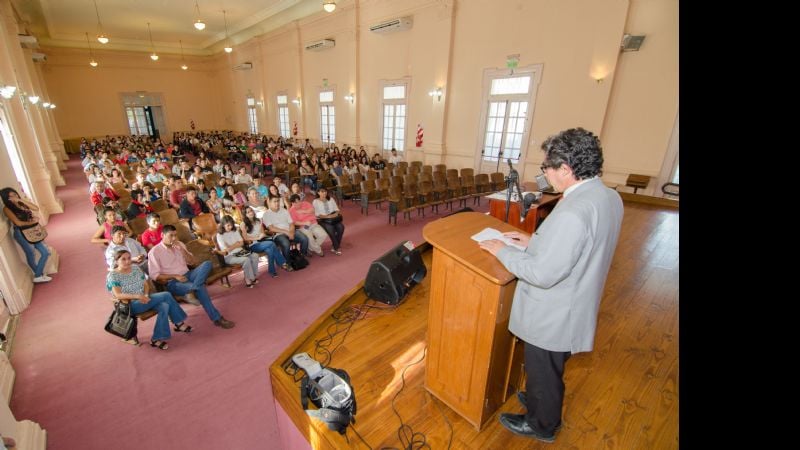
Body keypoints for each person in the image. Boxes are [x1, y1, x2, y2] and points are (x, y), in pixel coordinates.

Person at [478, 128, 623, 443]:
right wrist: (534, 240)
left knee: (544, 369)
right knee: (548, 369)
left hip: (555, 311)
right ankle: (540, 400)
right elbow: (583, 246)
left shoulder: (573, 209)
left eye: (548, 167)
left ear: (566, 170)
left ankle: (542, 424)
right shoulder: (607, 196)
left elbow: (543, 274)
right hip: (578, 298)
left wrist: (502, 250)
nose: (545, 173)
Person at [148, 225, 235, 329]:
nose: (174, 238)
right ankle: (217, 318)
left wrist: (182, 251)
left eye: (175, 235)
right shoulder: (154, 252)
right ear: (162, 235)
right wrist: (175, 276)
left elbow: (193, 262)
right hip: (174, 282)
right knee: (200, 288)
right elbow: (155, 276)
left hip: (189, 275)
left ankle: (196, 286)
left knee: (207, 264)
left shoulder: (179, 244)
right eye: (171, 236)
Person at [107, 249, 193, 350]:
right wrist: (138, 297)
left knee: (164, 306)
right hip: (130, 305)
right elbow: (118, 295)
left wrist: (146, 295)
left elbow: (145, 284)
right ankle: (179, 323)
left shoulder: (135, 268)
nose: (127, 261)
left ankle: (156, 339)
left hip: (145, 299)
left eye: (129, 258)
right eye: (123, 259)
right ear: (116, 261)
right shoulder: (113, 275)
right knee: (166, 295)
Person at [1, 187, 52, 283]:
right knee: (30, 254)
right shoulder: (6, 209)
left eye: (15, 194)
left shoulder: (21, 203)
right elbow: (18, 223)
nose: (14, 197)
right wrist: (32, 222)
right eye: (11, 196)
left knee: (45, 252)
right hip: (21, 233)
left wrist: (20, 200)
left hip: (32, 231)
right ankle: (39, 275)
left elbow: (35, 208)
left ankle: (38, 275)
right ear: (6, 198)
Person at [240, 207, 290, 277]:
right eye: (248, 212)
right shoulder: (243, 224)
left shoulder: (258, 221)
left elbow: (262, 233)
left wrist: (262, 235)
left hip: (262, 242)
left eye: (251, 210)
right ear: (245, 215)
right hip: (253, 245)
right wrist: (257, 238)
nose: (251, 213)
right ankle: (283, 263)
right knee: (271, 243)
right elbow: (245, 238)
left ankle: (272, 271)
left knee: (270, 250)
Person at [215, 215, 261, 288]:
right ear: (223, 225)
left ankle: (252, 276)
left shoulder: (235, 230)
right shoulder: (219, 235)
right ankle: (249, 279)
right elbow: (226, 249)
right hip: (229, 256)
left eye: (231, 225)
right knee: (246, 260)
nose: (230, 227)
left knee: (255, 255)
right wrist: (236, 244)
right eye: (228, 225)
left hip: (241, 252)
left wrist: (232, 246)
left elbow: (241, 243)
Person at [312, 187, 344, 255]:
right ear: (318, 193)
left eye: (325, 191)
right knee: (331, 230)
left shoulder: (331, 199)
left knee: (341, 227)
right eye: (322, 192)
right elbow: (317, 214)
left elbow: (337, 209)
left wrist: (335, 214)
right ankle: (336, 248)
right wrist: (327, 216)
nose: (324, 193)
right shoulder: (315, 201)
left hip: (333, 218)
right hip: (323, 219)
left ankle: (334, 245)